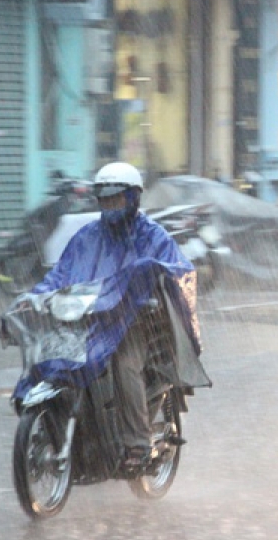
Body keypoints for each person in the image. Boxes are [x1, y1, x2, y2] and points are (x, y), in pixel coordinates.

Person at [31, 161, 195, 467]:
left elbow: (179, 269)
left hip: (136, 322)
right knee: (52, 358)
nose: (109, 206)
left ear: (133, 198)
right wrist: (36, 295)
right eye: (104, 200)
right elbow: (61, 273)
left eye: (116, 199)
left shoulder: (153, 236)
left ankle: (138, 444)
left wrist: (152, 273)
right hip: (92, 320)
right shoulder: (87, 236)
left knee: (123, 364)